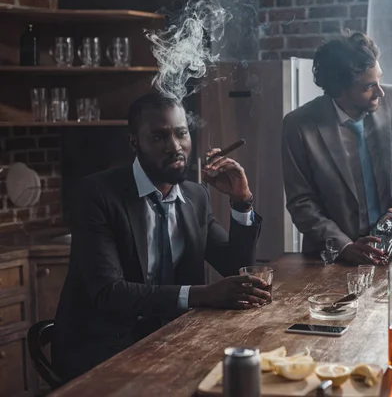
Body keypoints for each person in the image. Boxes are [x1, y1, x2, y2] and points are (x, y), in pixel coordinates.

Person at [52, 93, 268, 381]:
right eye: (159, 137)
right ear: (134, 142)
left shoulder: (196, 195)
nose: (175, 147)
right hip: (102, 347)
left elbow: (236, 267)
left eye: (181, 134)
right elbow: (108, 292)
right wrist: (201, 294)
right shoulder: (97, 195)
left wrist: (242, 202)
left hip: (172, 339)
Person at [282, 32, 392, 265]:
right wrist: (344, 246)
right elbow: (302, 202)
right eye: (369, 86)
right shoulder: (299, 125)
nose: (380, 92)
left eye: (379, 79)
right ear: (339, 89)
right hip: (331, 260)